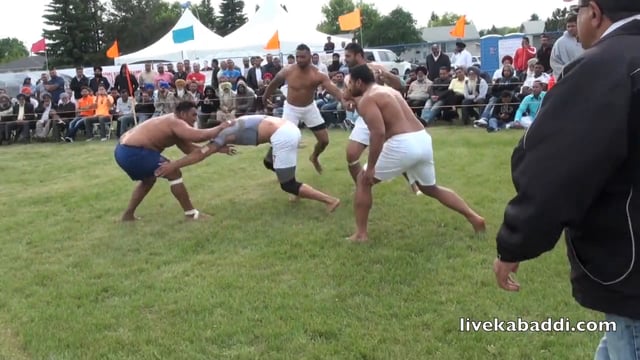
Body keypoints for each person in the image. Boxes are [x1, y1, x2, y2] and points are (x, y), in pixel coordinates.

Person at [493, 2, 640, 359]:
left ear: (594, 12)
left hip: (631, 267)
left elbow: (555, 166)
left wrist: (515, 242)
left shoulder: (607, 65)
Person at [346, 64, 486, 242]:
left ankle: (361, 234)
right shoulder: (390, 92)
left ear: (359, 82)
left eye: (350, 82)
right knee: (429, 188)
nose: (348, 86)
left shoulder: (368, 98)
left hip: (403, 143)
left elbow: (378, 132)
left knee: (363, 180)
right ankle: (475, 218)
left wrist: (371, 167)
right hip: (422, 138)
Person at [154, 115, 341, 213]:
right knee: (269, 162)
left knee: (287, 184)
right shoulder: (233, 124)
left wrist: (174, 165)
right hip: (287, 128)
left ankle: (330, 201)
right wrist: (219, 148)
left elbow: (201, 154)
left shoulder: (223, 133)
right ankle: (299, 193)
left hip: (283, 135)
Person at [114, 101, 234, 221]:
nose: (195, 119)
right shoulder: (176, 122)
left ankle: (128, 215)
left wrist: (217, 149)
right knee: (174, 173)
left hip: (122, 150)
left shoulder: (173, 124)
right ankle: (191, 214)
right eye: (193, 115)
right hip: (134, 152)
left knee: (148, 180)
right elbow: (199, 137)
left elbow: (190, 149)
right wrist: (220, 127)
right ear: (182, 113)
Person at [340, 42, 421, 194]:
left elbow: (400, 85)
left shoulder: (376, 68)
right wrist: (348, 103)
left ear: (359, 55)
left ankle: (414, 184)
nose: (345, 59)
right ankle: (362, 189)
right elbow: (345, 97)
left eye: (348, 56)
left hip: (383, 118)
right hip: (363, 119)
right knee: (351, 155)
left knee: (397, 152)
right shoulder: (348, 77)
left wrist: (387, 75)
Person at [262, 44, 344, 174]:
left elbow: (333, 89)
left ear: (310, 57)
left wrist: (344, 100)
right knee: (286, 140)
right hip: (291, 109)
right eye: (297, 57)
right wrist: (265, 97)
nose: (299, 59)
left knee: (324, 141)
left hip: (309, 108)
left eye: (302, 57)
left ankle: (314, 157)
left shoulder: (318, 74)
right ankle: (282, 169)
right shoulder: (288, 70)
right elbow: (274, 83)